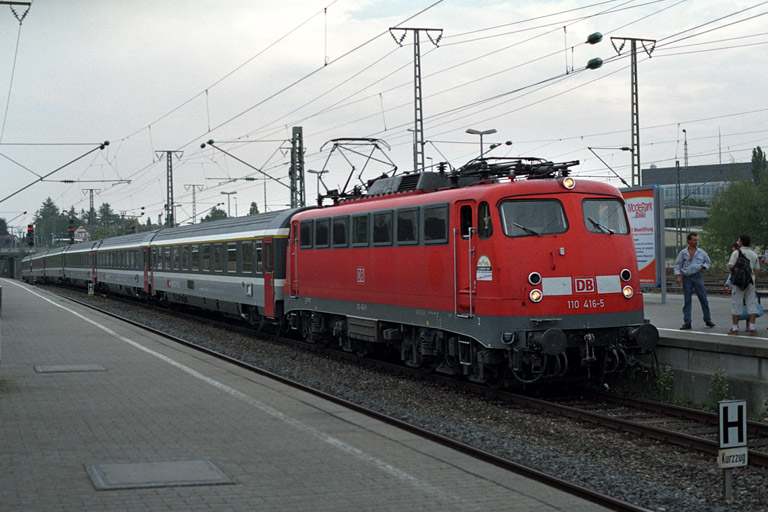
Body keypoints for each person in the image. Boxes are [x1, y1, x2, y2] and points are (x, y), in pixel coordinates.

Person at [673, 232, 715, 330]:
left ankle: (707, 319)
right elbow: (677, 265)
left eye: (697, 240)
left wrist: (704, 267)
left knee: (703, 298)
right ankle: (687, 322)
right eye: (694, 240)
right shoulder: (683, 253)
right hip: (687, 277)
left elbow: (708, 262)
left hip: (697, 276)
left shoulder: (701, 252)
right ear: (689, 241)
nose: (696, 241)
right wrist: (678, 277)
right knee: (687, 300)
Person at [728, 234, 761, 335]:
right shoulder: (754, 254)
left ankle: (735, 328)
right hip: (750, 282)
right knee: (751, 304)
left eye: (739, 240)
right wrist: (753, 279)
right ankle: (752, 328)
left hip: (738, 283)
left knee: (736, 303)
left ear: (741, 242)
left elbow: (731, 266)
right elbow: (756, 269)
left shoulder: (736, 253)